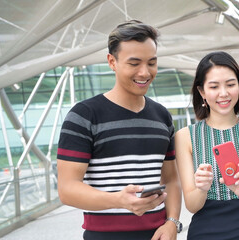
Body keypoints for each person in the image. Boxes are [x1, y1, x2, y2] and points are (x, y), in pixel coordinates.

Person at [57, 20, 182, 240]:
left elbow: (171, 179)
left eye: (151, 63)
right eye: (134, 63)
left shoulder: (162, 116)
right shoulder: (84, 115)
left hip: (158, 235)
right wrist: (119, 200)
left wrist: (172, 222)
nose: (145, 72)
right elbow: (67, 189)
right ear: (112, 62)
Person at [175, 51, 239, 240]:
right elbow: (192, 205)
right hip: (204, 233)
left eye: (230, 84)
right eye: (214, 86)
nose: (223, 93)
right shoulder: (185, 136)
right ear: (202, 92)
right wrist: (202, 189)